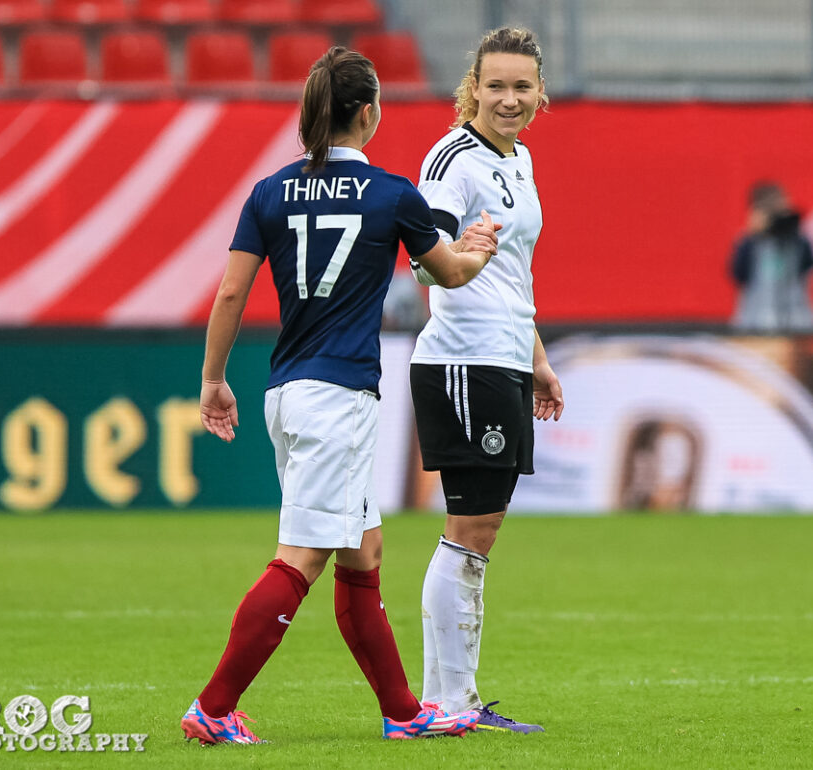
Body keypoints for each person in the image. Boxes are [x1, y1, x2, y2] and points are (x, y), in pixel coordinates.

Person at [180, 46, 501, 745]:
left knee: (364, 551)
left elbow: (232, 289)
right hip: (339, 396)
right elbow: (446, 275)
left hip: (286, 390)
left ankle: (402, 712)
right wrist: (478, 246)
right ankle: (212, 707)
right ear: (366, 112)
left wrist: (213, 380)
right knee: (301, 555)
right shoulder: (391, 194)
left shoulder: (268, 192)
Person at [408, 26, 563, 734]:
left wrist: (535, 357)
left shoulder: (521, 159)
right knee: (472, 527)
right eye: (494, 86)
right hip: (462, 359)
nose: (508, 99)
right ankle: (449, 703)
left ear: (540, 94)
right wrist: (458, 264)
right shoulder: (451, 159)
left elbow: (511, 274)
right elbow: (425, 253)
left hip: (501, 356)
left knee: (481, 528)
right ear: (471, 88)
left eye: (520, 87)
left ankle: (447, 702)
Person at [729, 181, 813, 331]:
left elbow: (809, 265)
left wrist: (791, 230)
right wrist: (753, 236)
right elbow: (739, 274)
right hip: (756, 321)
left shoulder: (798, 241)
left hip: (797, 320)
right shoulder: (750, 243)